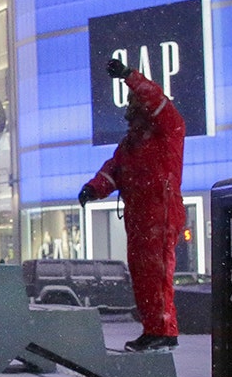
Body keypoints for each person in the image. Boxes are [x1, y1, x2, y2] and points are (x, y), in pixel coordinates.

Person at [79, 59, 185, 351]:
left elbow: (156, 99)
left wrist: (129, 76)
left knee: (156, 272)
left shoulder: (169, 127)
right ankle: (154, 329)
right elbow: (113, 171)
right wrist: (93, 188)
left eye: (135, 102)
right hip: (140, 216)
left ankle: (163, 330)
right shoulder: (132, 144)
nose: (131, 109)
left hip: (160, 212)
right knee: (143, 275)